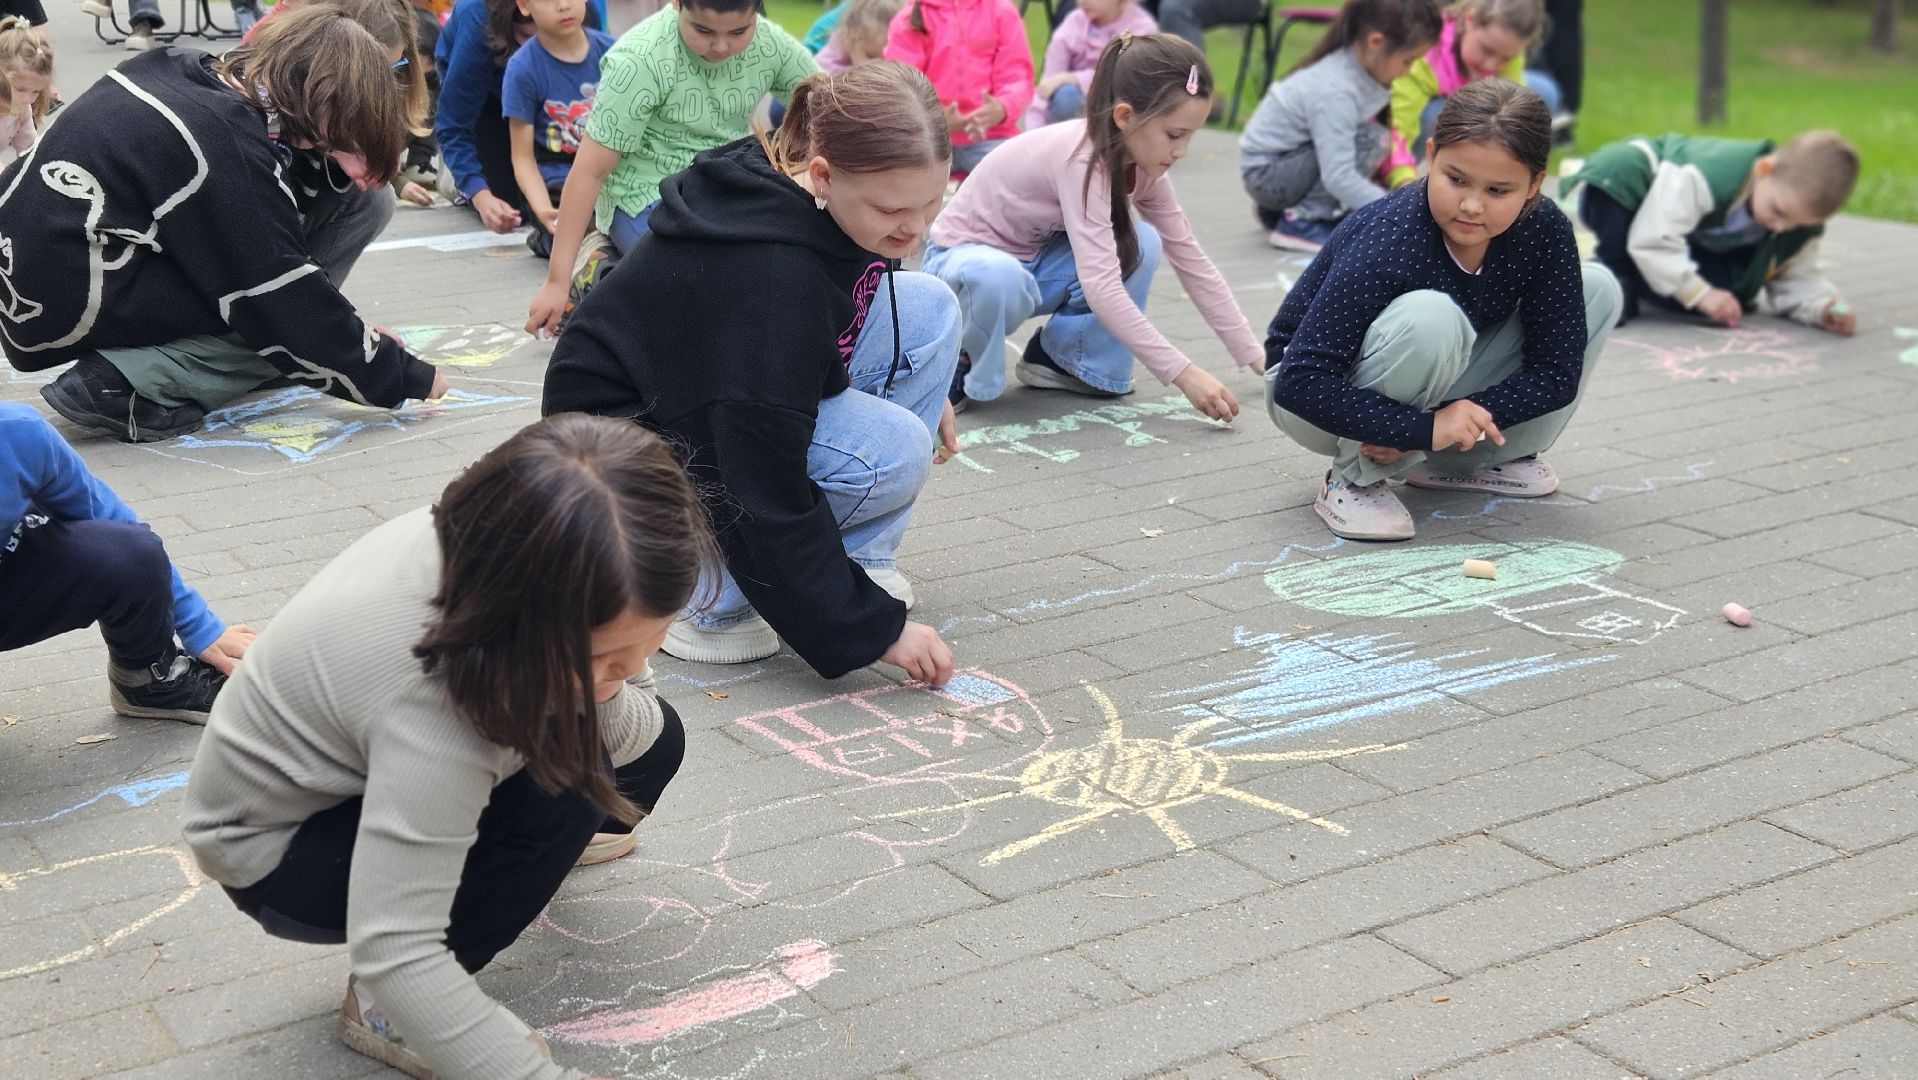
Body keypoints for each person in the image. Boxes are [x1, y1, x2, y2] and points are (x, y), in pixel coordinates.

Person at [183, 414, 707, 1080]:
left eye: (649, 641)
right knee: (567, 785)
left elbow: (632, 727)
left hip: (370, 762)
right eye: (605, 656)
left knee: (646, 746)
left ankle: (514, 853)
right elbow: (397, 949)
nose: (631, 669)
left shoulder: (506, 539)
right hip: (274, 854)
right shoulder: (441, 699)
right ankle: (384, 1014)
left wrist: (607, 681)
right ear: (521, 623)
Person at [542, 61, 959, 684]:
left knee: (927, 308)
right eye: (893, 208)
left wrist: (910, 365)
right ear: (821, 176)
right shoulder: (769, 281)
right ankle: (709, 603)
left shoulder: (791, 180)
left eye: (932, 203)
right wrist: (867, 626)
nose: (915, 226)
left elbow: (834, 311)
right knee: (893, 446)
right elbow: (757, 477)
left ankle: (855, 560)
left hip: (699, 390)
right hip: (619, 457)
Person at [4, 4, 445, 443]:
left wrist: (342, 333)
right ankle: (123, 382)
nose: (337, 145)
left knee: (316, 269)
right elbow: (279, 291)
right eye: (343, 125)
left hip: (33, 258)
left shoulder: (190, 67)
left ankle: (269, 355)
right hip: (57, 300)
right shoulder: (225, 144)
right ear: (320, 95)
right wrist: (397, 370)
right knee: (274, 315)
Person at [1265, 78, 1621, 541]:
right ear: (1430, 156)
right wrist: (1422, 426)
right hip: (1308, 399)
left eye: (1498, 190)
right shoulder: (1391, 235)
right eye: (1456, 179)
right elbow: (1300, 380)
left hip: (1431, 382)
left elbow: (1557, 370)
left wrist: (1447, 422)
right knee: (1433, 316)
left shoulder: (1544, 230)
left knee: (1598, 288)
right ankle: (1353, 479)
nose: (1471, 205)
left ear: (1534, 184)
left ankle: (1461, 462)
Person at [924, 33, 1262, 419]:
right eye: (1174, 135)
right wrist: (1184, 373)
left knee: (1142, 242)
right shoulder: (1082, 161)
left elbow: (1191, 260)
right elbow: (1101, 287)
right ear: (1124, 116)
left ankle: (1066, 359)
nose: (1182, 151)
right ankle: (961, 354)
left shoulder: (1143, 165)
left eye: (1190, 136)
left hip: (1031, 265)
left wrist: (1253, 354)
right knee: (996, 275)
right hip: (962, 267)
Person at [524, 0, 818, 333]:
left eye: (739, 31)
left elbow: (825, 103)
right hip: (644, 194)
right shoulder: (640, 59)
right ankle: (598, 265)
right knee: (700, 287)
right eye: (703, 30)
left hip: (725, 186)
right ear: (677, 4)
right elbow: (589, 171)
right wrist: (555, 282)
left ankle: (632, 274)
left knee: (772, 266)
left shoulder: (769, 43)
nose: (721, 46)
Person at [0, 404, 251, 721]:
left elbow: (110, 519)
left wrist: (201, 627)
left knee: (130, 554)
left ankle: (148, 679)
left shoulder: (16, 431)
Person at [1564, 130, 1858, 334]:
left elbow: (1794, 275)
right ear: (1764, 169)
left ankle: (1649, 280)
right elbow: (1653, 237)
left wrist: (1822, 307)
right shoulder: (1706, 175)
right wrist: (1699, 292)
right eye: (1779, 212)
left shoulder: (1793, 220)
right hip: (1637, 207)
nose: (1781, 228)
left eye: (1796, 224)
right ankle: (1617, 273)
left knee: (1733, 296)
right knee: (1617, 171)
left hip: (1684, 242)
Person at [1240, 0, 1440, 253]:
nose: (1407, 71)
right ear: (1375, 42)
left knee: (1372, 137)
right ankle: (1303, 222)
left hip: (1273, 173)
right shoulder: (1338, 90)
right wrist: (1394, 212)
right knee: (1371, 139)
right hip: (1268, 175)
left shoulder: (1353, 71)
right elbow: (1338, 175)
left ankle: (1282, 210)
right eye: (1408, 60)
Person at [433, 0, 606, 235]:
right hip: (489, 100)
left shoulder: (575, 9)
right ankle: (458, 177)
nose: (563, 6)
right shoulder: (478, 20)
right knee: (510, 207)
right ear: (524, 7)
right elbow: (453, 123)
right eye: (528, 37)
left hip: (556, 102)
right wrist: (479, 193)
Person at [1383, 0, 1554, 187]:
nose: (1491, 65)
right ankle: (1436, 178)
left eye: (1507, 58)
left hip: (1475, 122)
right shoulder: (1426, 56)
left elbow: (1514, 110)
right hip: (1411, 127)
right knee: (1438, 113)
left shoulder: (1504, 48)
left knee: (1545, 92)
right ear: (1469, 20)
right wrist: (1403, 180)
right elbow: (1397, 126)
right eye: (1486, 50)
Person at [503, 0, 615, 256]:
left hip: (608, 173)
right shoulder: (523, 68)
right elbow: (522, 158)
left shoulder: (613, 52)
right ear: (524, 5)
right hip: (557, 182)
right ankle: (549, 237)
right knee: (572, 229)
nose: (563, 6)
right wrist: (542, 209)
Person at [882, 0, 1031, 174]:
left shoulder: (1002, 11)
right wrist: (932, 119)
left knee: (1019, 178)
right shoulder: (909, 18)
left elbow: (1017, 75)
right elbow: (900, 87)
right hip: (927, 141)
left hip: (990, 137)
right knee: (896, 178)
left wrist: (1002, 107)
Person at [1023, 0, 1155, 128]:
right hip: (1075, 114)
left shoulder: (1141, 28)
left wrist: (1072, 78)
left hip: (1119, 114)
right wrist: (1032, 133)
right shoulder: (1073, 23)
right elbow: (1047, 86)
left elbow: (1121, 80)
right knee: (1066, 97)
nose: (1081, 1)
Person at [0, 16, 51, 168]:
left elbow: (28, 151)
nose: (28, 98)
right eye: (20, 89)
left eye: (36, 91)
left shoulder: (22, 109)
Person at [817, 0, 900, 73]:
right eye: (871, 56)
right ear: (847, 37)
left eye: (885, 59)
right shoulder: (826, 64)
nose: (878, 67)